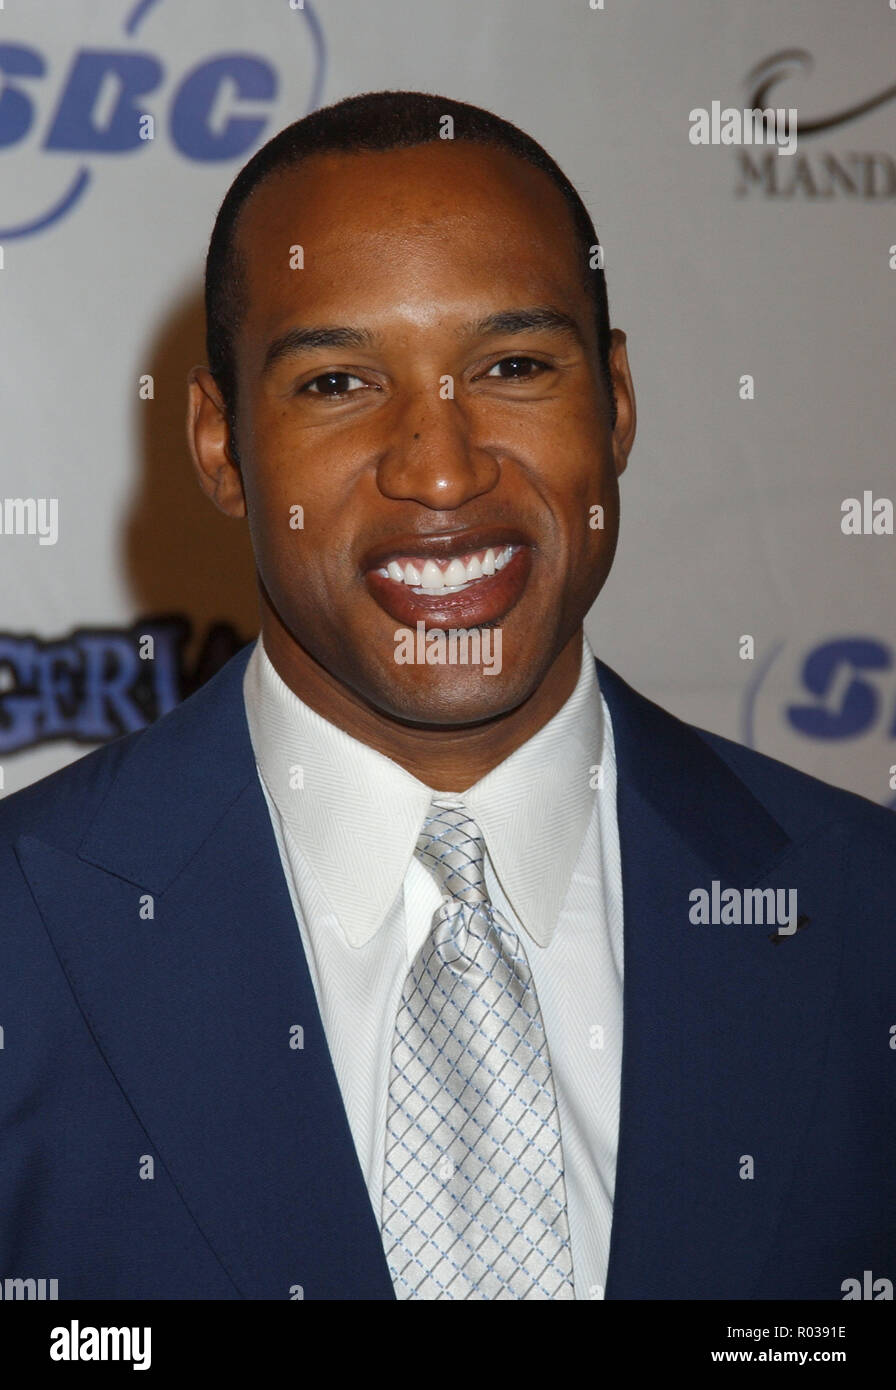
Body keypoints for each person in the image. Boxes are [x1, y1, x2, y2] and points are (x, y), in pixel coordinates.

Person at [1, 90, 893, 1302]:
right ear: (218, 446)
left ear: (614, 401)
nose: (440, 467)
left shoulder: (860, 910)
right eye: (334, 382)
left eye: (513, 365)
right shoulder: (25, 933)